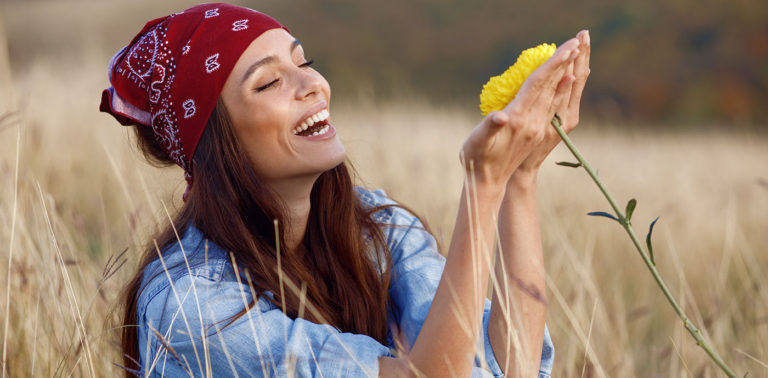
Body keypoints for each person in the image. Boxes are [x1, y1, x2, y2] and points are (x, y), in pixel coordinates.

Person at [100, 3, 589, 377]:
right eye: (269, 83)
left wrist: (521, 177)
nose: (312, 84)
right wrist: (484, 185)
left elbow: (512, 365)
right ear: (215, 144)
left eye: (302, 61)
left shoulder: (376, 224)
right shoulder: (191, 306)